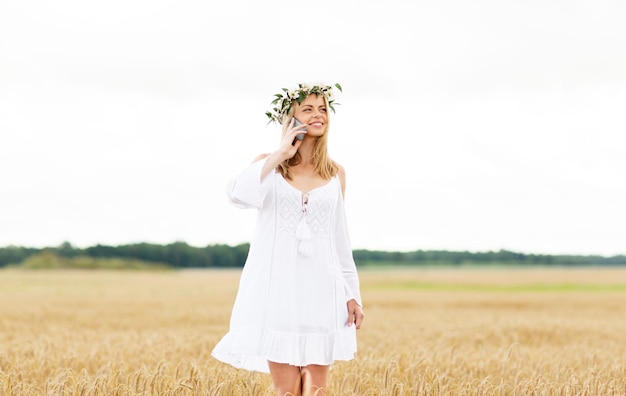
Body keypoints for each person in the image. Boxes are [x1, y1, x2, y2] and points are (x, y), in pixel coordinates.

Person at [212, 82, 364, 396]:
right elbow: (238, 195)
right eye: (308, 108)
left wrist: (353, 294)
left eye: (322, 108)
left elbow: (340, 241)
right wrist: (282, 152)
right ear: (291, 118)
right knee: (287, 392)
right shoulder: (270, 165)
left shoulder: (336, 173)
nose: (318, 114)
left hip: (324, 292)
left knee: (316, 391)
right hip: (278, 293)